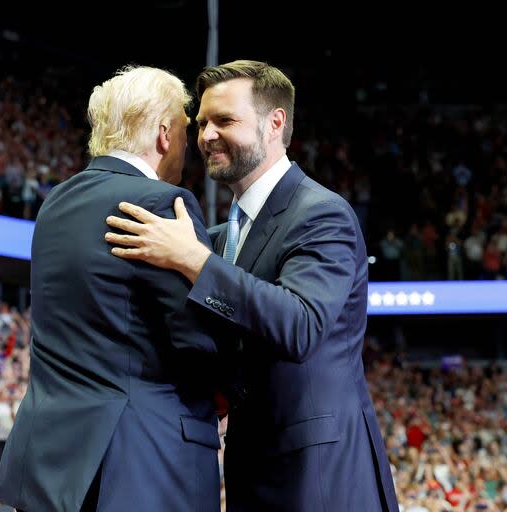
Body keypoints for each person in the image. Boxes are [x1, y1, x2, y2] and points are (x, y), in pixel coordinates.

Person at [105, 60, 399, 511]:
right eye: (201, 122)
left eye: (224, 120)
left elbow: (300, 324)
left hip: (320, 479)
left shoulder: (323, 213)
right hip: (251, 469)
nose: (205, 136)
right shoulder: (222, 235)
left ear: (274, 123)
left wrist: (193, 260)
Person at [0, 65, 223, 512]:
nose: (188, 144)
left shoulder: (55, 203)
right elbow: (197, 337)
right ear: (163, 133)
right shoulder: (161, 203)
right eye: (182, 128)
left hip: (51, 461)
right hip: (141, 461)